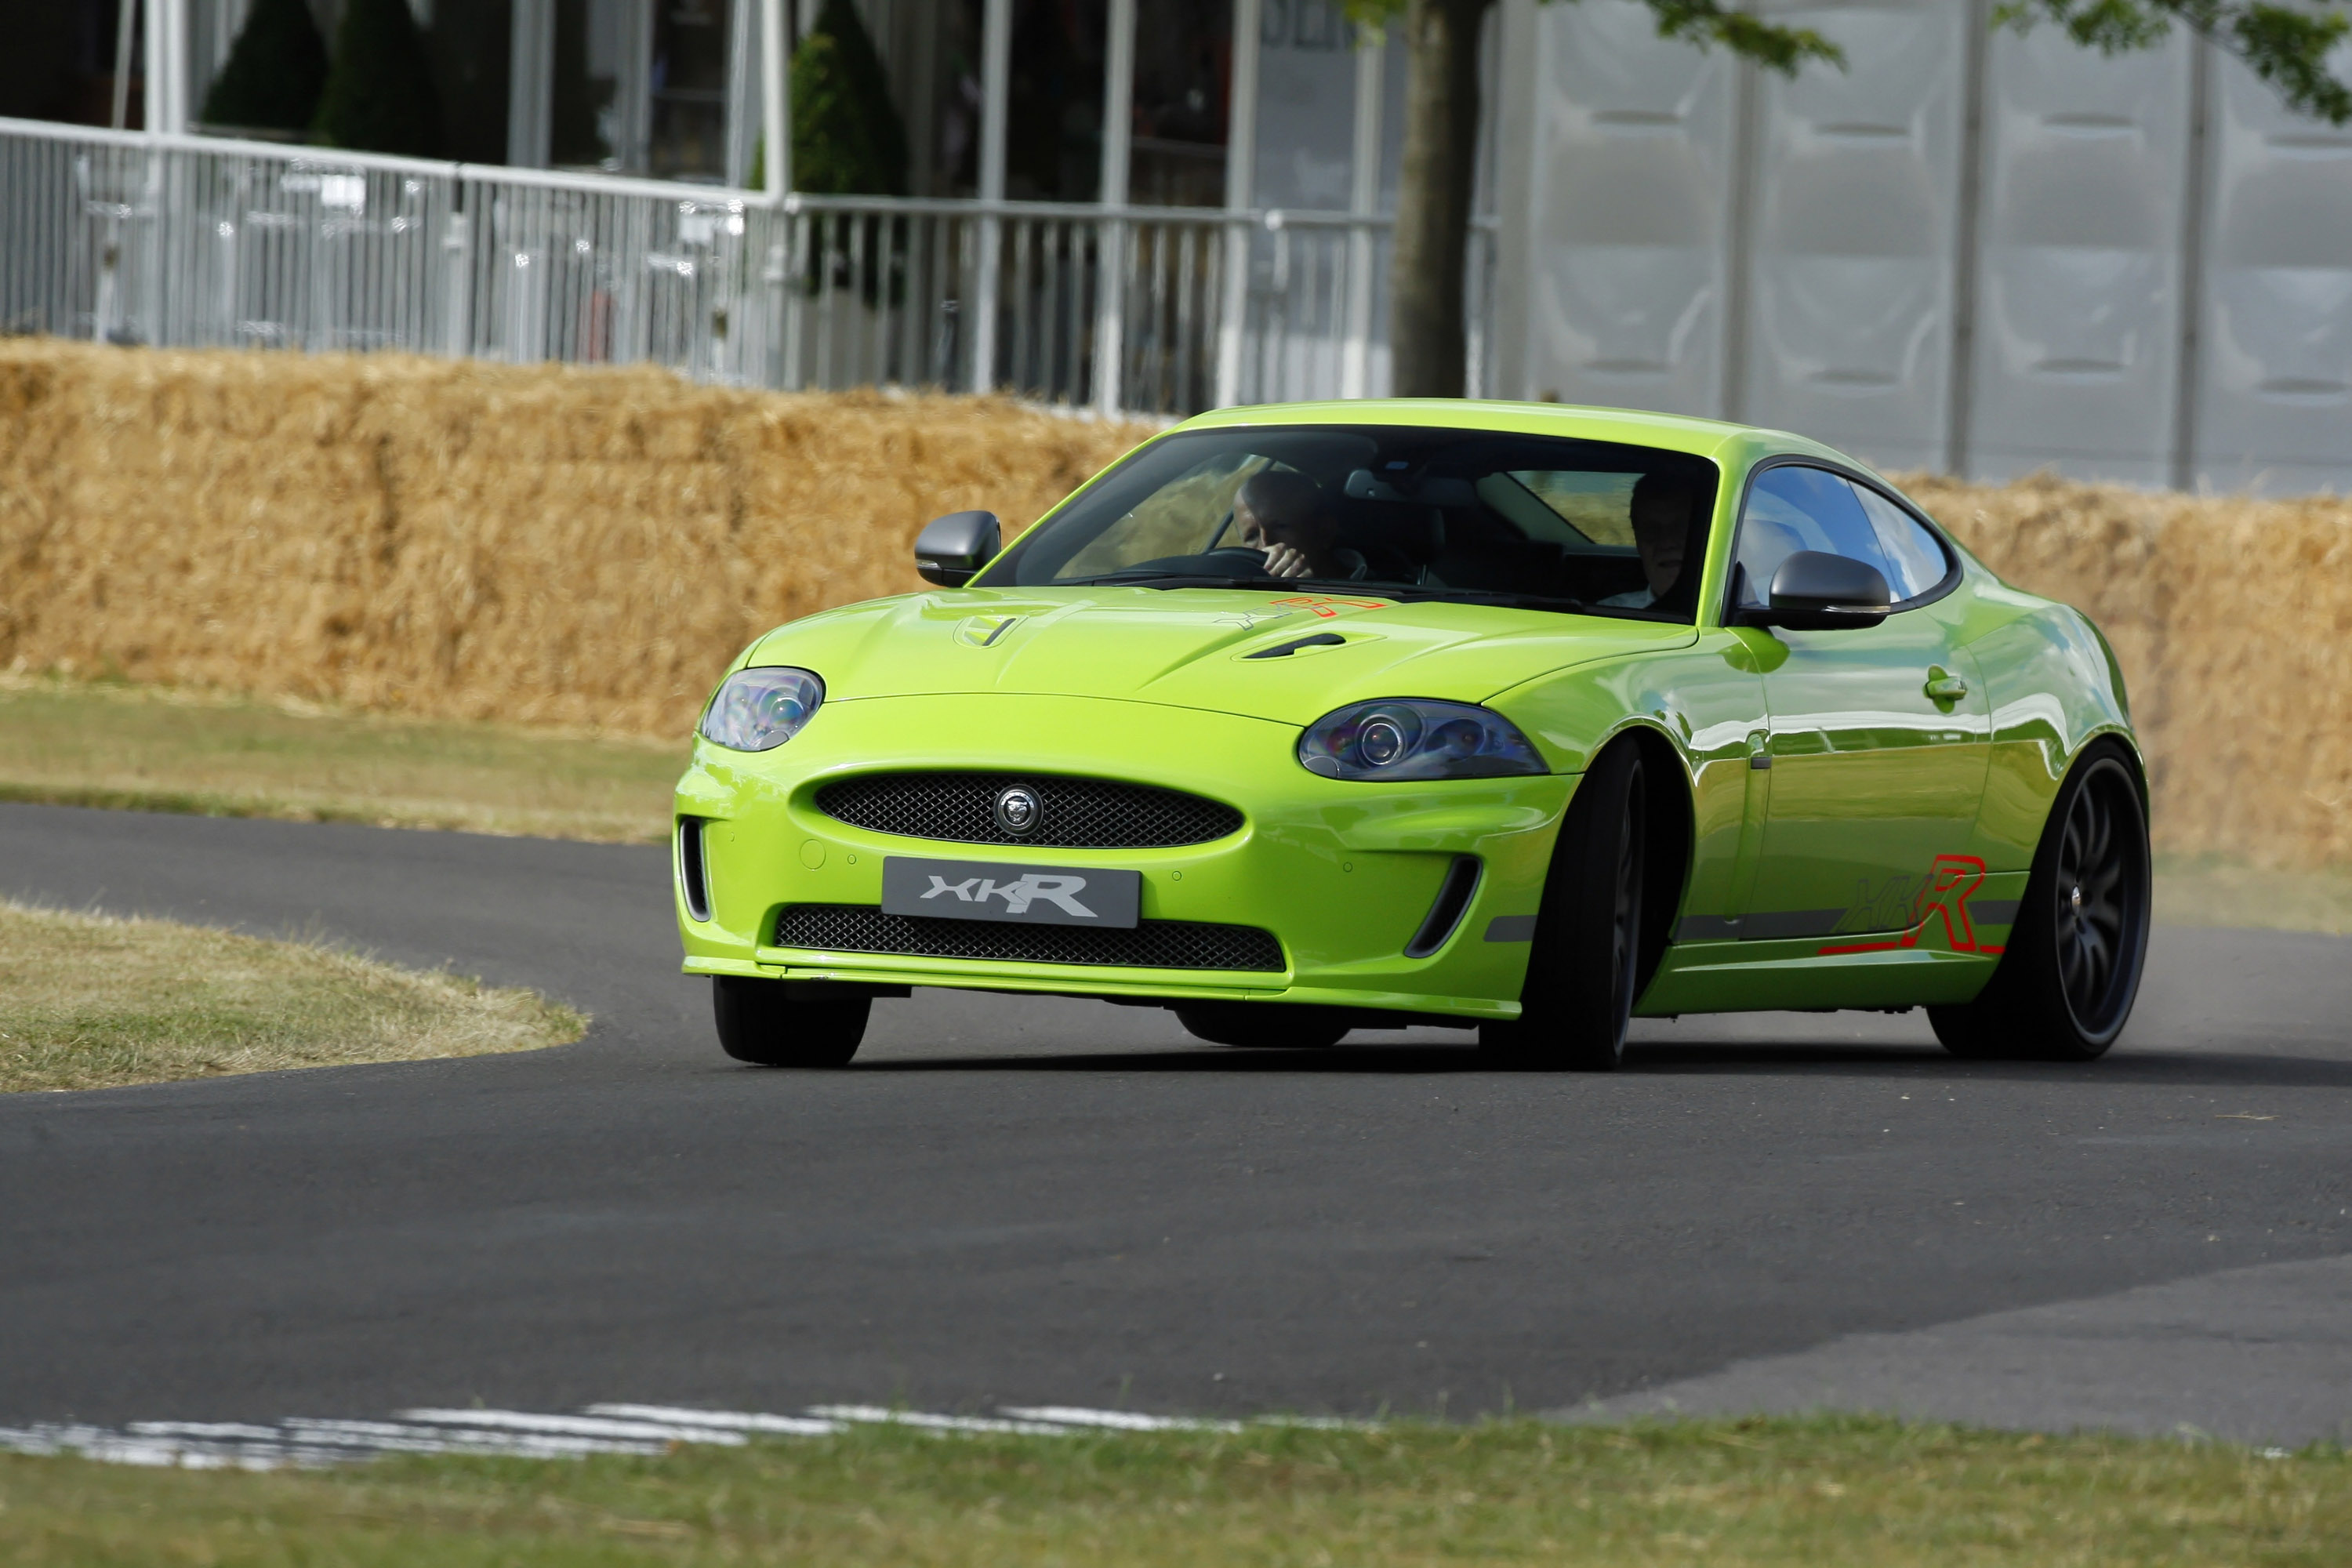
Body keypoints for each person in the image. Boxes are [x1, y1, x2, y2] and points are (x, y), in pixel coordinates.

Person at [1233, 468, 1367, 581]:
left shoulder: (1380, 588)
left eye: (1280, 527)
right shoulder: (1241, 594)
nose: (1266, 545)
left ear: (1325, 531)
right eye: (1252, 536)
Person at [1598, 474, 1697, 609]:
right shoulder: (1609, 614)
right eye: (1651, 531)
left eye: (1681, 529)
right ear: (1637, 542)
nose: (1667, 542)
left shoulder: (1729, 613)